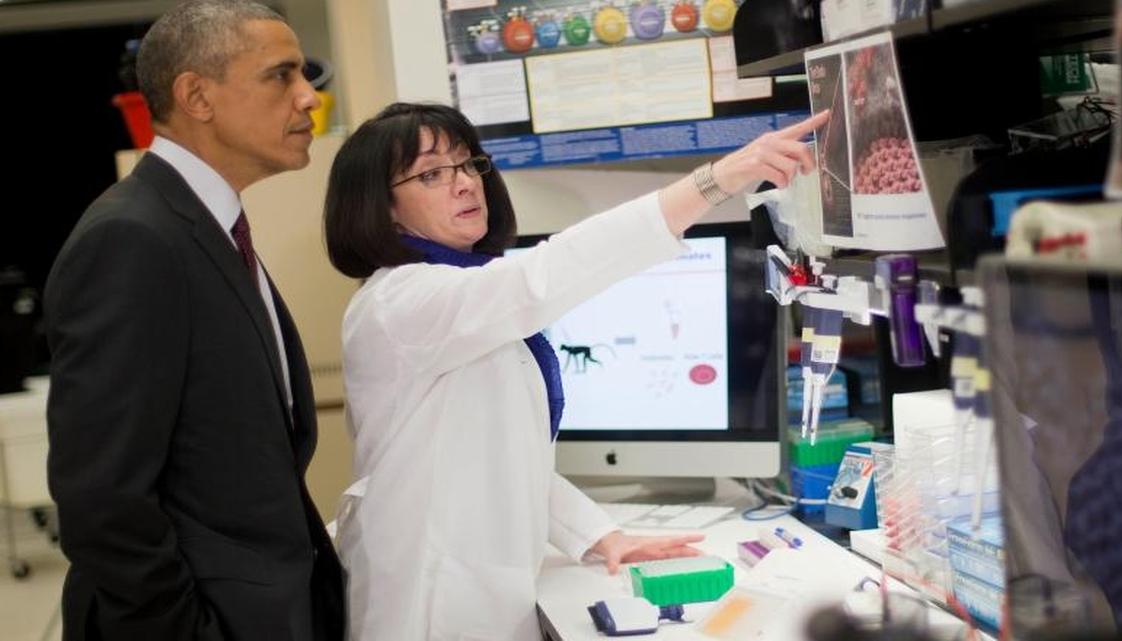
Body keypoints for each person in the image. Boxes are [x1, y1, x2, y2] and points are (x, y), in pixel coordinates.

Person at [324, 102, 828, 641]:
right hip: (430, 601)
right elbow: (542, 277)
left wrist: (601, 536)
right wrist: (716, 181)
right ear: (384, 209)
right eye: (432, 174)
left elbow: (504, 455)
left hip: (477, 583)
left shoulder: (461, 289)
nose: (465, 184)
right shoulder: (401, 301)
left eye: (468, 164)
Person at [44, 2, 345, 640]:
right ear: (196, 96)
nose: (308, 99)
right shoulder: (132, 237)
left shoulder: (205, 225)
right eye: (281, 76)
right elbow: (104, 498)